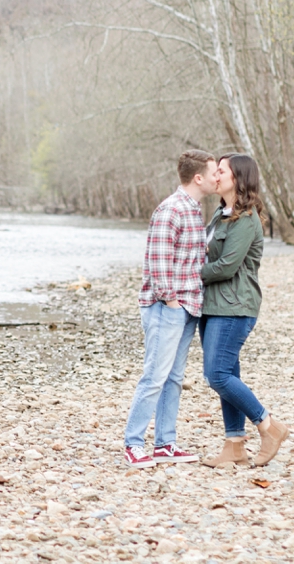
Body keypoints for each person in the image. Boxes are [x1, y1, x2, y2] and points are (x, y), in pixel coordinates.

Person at [197, 153, 291, 468]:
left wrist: (190, 273)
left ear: (237, 178)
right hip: (214, 306)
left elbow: (225, 267)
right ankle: (234, 446)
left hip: (235, 308)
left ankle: (268, 426)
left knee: (217, 374)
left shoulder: (245, 219)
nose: (215, 175)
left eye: (221, 171)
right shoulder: (220, 215)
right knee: (228, 373)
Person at [123, 149, 216, 468]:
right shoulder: (171, 209)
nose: (218, 177)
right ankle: (133, 443)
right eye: (214, 172)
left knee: (174, 377)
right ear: (198, 177)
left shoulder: (194, 209)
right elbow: (158, 260)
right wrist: (170, 299)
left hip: (188, 306)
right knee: (155, 376)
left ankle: (165, 443)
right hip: (168, 307)